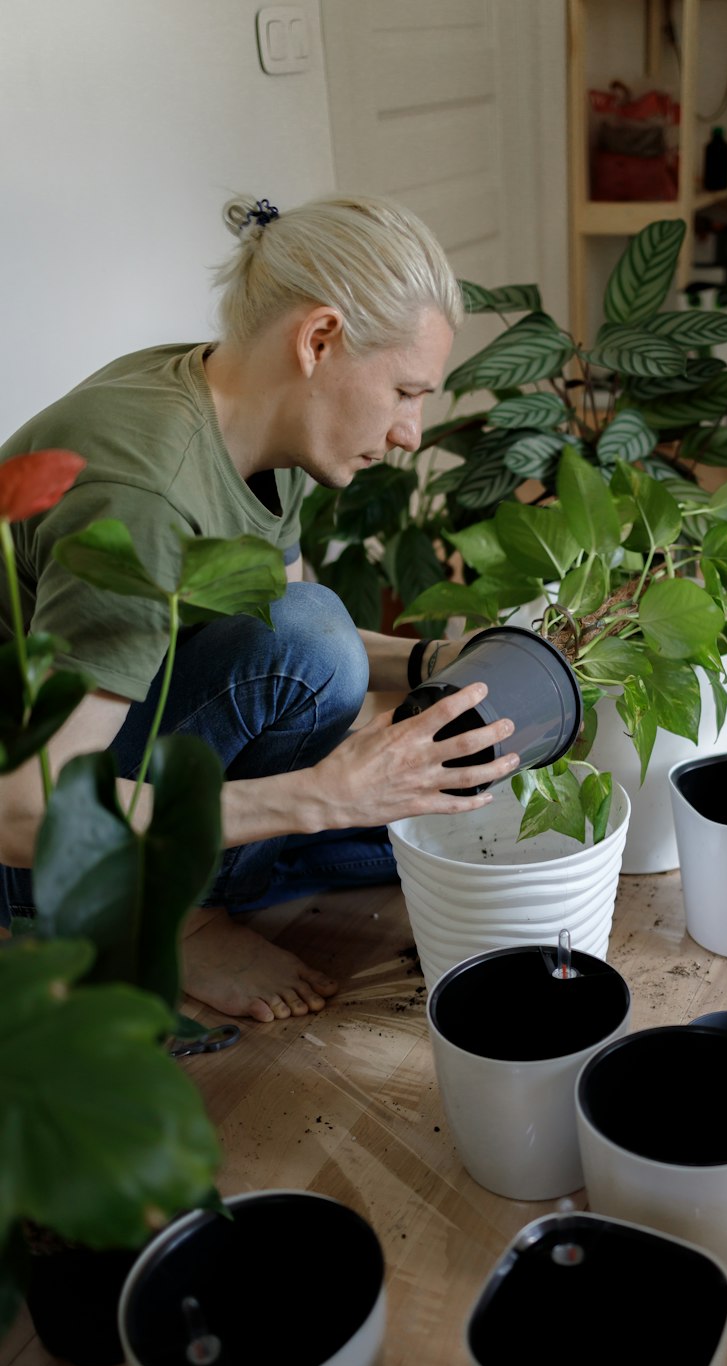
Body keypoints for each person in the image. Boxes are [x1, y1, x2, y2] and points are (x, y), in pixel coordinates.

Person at [0, 193, 518, 1024]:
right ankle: (178, 920)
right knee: (339, 738)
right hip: (26, 841)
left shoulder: (249, 421)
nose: (411, 433)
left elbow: (277, 625)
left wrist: (431, 663)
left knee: (404, 793)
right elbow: (27, 811)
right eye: (405, 392)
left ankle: (238, 867)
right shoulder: (141, 494)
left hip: (103, 747)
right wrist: (324, 797)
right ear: (318, 340)